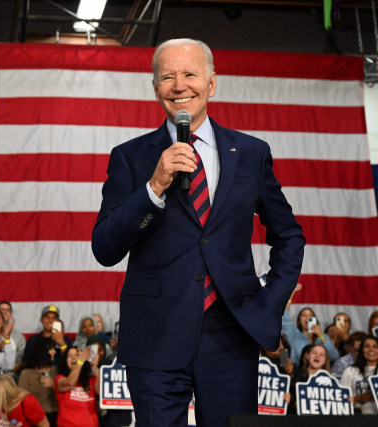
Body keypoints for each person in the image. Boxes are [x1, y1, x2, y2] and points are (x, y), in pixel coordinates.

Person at [91, 38, 306, 427]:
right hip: (155, 334)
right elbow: (104, 247)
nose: (179, 86)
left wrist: (269, 302)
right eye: (168, 77)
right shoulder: (131, 157)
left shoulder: (252, 153)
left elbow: (289, 235)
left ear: (211, 82)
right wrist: (154, 187)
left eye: (190, 74)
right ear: (155, 87)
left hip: (232, 333)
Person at [54, 346, 100, 427]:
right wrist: (80, 361)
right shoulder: (59, 378)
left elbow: (99, 391)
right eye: (69, 356)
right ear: (65, 361)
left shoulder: (90, 379)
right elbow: (70, 383)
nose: (73, 358)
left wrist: (95, 367)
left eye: (77, 355)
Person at [18, 338, 59, 426]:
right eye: (51, 349)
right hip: (35, 418)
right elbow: (20, 400)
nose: (54, 352)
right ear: (42, 351)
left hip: (56, 416)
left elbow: (66, 395)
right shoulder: (26, 374)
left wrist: (53, 385)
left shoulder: (57, 371)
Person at [287, 344, 331, 414]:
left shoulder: (330, 382)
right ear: (307, 356)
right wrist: (287, 400)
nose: (317, 356)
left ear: (325, 361)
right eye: (314, 353)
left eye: (321, 355)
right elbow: (288, 401)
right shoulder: (296, 376)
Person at [340, 336, 378, 414]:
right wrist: (357, 399)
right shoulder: (350, 371)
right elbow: (340, 399)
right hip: (357, 418)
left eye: (375, 346)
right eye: (367, 346)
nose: (371, 350)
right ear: (361, 350)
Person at [0, 300, 27, 370]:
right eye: (2, 310)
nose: (5, 312)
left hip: (11, 376)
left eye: (8, 310)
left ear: (11, 314)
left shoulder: (19, 337)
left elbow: (18, 363)